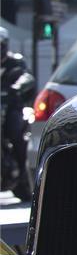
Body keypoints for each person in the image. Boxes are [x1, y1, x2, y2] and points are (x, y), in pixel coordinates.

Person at [0, 27, 35, 201]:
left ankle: (22, 172)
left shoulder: (15, 62)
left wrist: (17, 87)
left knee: (16, 132)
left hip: (11, 107)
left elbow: (27, 77)